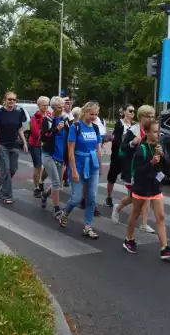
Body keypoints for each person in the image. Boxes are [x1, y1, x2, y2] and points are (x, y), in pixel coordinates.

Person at [122, 119, 170, 259]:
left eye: (158, 131)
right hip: (142, 187)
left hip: (155, 187)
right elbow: (138, 171)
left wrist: (164, 157)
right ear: (146, 132)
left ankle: (164, 248)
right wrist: (151, 162)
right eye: (154, 132)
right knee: (135, 214)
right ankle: (128, 239)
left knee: (161, 217)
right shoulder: (141, 149)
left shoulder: (160, 147)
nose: (157, 134)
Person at [57, 102, 103, 239]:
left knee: (92, 198)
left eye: (95, 114)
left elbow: (98, 148)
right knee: (76, 198)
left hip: (93, 165)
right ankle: (64, 214)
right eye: (91, 114)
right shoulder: (75, 127)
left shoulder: (95, 128)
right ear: (84, 112)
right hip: (79, 165)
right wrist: (74, 170)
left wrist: (100, 166)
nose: (93, 117)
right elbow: (71, 151)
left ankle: (87, 227)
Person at [111, 105, 157, 234]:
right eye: (148, 116)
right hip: (133, 169)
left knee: (147, 196)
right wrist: (133, 142)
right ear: (141, 117)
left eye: (153, 116)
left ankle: (144, 223)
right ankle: (117, 208)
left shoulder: (152, 131)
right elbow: (123, 147)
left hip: (147, 168)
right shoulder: (133, 131)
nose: (151, 118)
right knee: (132, 197)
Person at [0, 92, 29, 205]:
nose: (12, 102)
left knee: (13, 169)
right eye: (10, 99)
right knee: (6, 170)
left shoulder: (18, 113)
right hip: (2, 145)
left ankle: (2, 185)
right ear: (4, 100)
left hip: (14, 145)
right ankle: (7, 195)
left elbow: (20, 129)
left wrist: (24, 142)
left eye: (14, 100)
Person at [40, 96, 69, 214]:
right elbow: (44, 137)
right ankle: (57, 210)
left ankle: (45, 194)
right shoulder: (48, 120)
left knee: (58, 183)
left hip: (60, 155)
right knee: (56, 183)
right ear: (53, 108)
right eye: (59, 107)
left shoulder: (64, 119)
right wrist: (56, 129)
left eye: (63, 106)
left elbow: (68, 136)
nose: (62, 109)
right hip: (49, 155)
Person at [105, 103, 134, 208]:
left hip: (129, 156)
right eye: (130, 111)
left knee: (130, 177)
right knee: (112, 176)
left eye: (133, 111)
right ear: (125, 111)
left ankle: (130, 197)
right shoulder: (119, 124)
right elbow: (116, 139)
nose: (132, 113)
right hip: (118, 155)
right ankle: (109, 197)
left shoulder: (133, 125)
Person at [29, 96, 51, 197]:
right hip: (36, 144)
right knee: (37, 166)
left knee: (47, 166)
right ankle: (36, 187)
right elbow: (35, 131)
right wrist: (43, 138)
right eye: (43, 105)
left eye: (47, 105)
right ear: (39, 105)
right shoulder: (35, 117)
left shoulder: (50, 115)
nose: (46, 107)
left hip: (47, 144)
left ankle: (41, 182)